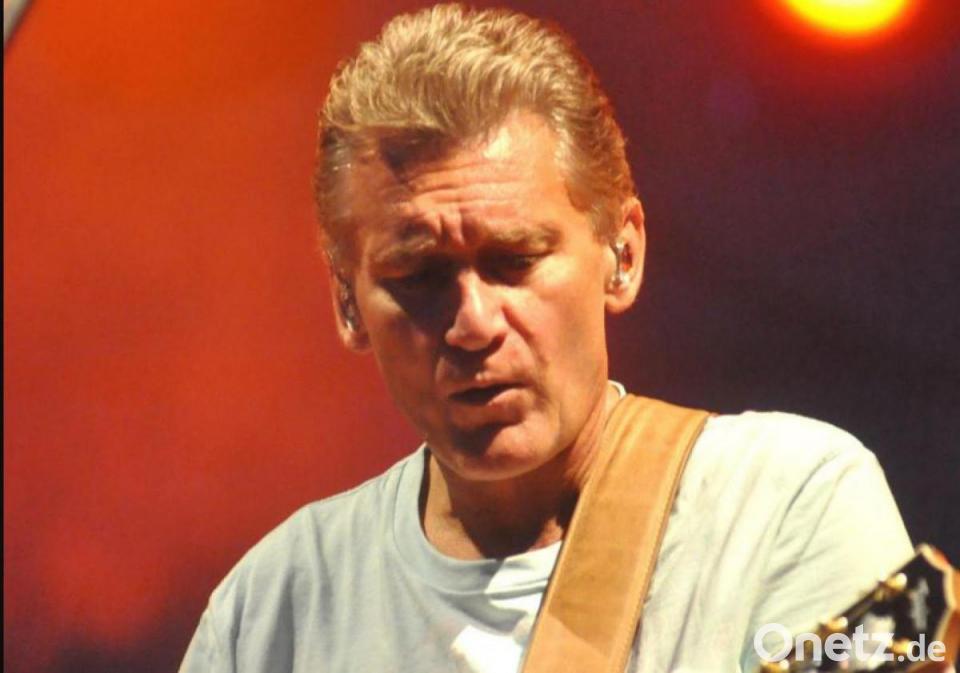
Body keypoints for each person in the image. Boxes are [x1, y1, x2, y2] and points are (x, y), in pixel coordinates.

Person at [180, 4, 917, 672]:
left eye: (514, 261)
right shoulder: (268, 612)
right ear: (347, 301)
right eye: (420, 275)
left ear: (622, 255)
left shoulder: (792, 502)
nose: (473, 323)